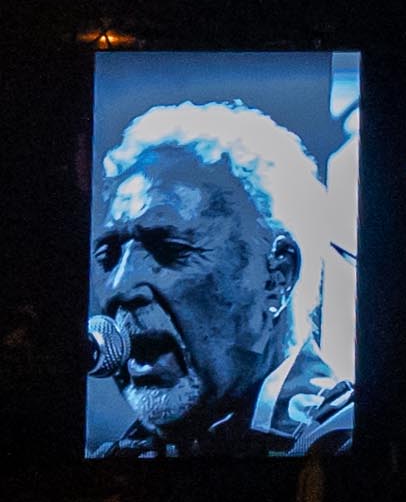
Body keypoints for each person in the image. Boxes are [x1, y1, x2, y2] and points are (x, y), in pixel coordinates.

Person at [89, 104, 356, 457]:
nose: (118, 287)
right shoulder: (120, 455)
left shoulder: (345, 439)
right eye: (108, 256)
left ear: (277, 277)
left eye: (169, 248)